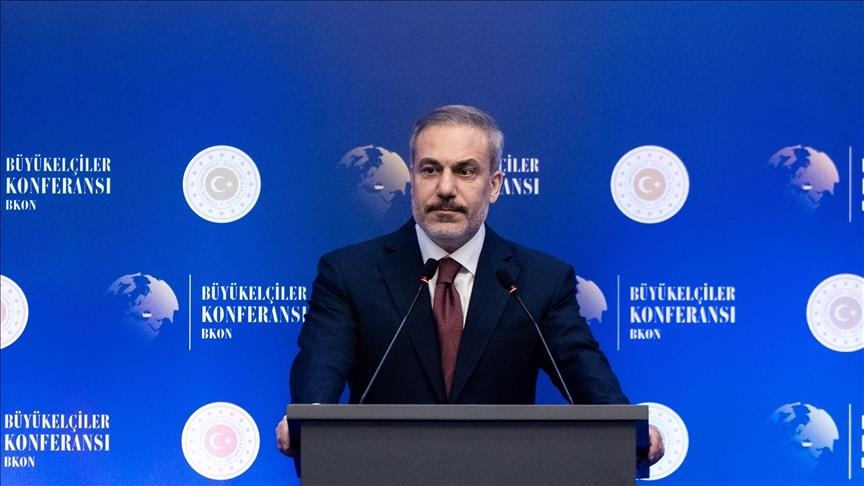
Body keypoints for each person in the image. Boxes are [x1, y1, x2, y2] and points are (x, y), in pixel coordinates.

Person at [276, 104, 664, 466]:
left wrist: (630, 433)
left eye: (465, 171)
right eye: (430, 170)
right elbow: (320, 375)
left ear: (494, 185)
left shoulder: (540, 281)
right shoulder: (349, 274)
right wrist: (307, 421)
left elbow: (588, 383)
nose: (445, 188)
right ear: (412, 179)